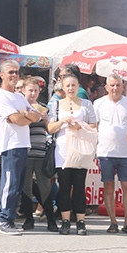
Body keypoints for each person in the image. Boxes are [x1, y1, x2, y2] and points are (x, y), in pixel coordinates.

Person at [0, 60, 42, 235]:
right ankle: (3, 219)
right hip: (9, 145)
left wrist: (24, 114)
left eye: (16, 72)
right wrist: (25, 116)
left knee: (17, 185)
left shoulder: (19, 97)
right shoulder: (0, 96)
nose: (14, 75)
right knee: (10, 184)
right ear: (2, 74)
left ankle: (9, 218)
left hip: (22, 144)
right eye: (10, 72)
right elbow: (17, 120)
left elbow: (37, 116)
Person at [47, 73, 98, 236]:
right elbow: (50, 128)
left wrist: (79, 125)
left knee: (79, 186)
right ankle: (65, 220)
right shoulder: (56, 104)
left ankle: (81, 221)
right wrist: (63, 121)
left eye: (73, 85)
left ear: (78, 87)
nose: (70, 88)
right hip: (62, 149)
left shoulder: (86, 104)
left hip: (81, 148)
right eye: (67, 85)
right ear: (62, 87)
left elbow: (93, 125)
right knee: (64, 186)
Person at [94, 73, 127, 234]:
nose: (115, 88)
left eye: (118, 85)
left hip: (125, 152)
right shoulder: (98, 104)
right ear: (106, 87)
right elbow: (93, 126)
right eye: (112, 85)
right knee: (109, 187)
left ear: (122, 86)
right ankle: (113, 222)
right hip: (105, 151)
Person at [18, 76, 57, 232]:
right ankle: (28, 218)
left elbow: (49, 130)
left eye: (35, 90)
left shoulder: (43, 107)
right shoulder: (20, 107)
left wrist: (46, 120)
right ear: (23, 91)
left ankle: (51, 219)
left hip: (40, 152)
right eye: (30, 90)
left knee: (44, 186)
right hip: (26, 151)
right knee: (26, 186)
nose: (33, 93)